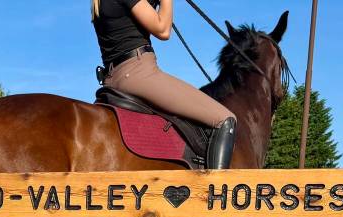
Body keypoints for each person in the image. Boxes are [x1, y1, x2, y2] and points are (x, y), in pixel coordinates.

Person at [93, 0, 237, 169]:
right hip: (139, 72)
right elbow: (163, 29)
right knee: (225, 119)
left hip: (113, 77)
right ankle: (215, 192)